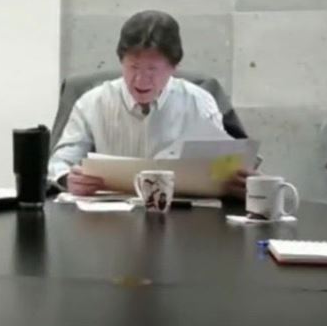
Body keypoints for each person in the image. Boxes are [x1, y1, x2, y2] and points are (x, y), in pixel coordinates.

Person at [48, 10, 251, 199]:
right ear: (121, 61)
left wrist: (238, 180)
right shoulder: (92, 103)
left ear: (174, 67)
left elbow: (223, 167)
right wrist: (68, 179)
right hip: (109, 217)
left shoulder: (199, 103)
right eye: (133, 67)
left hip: (179, 216)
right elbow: (59, 164)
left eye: (152, 70)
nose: (141, 80)